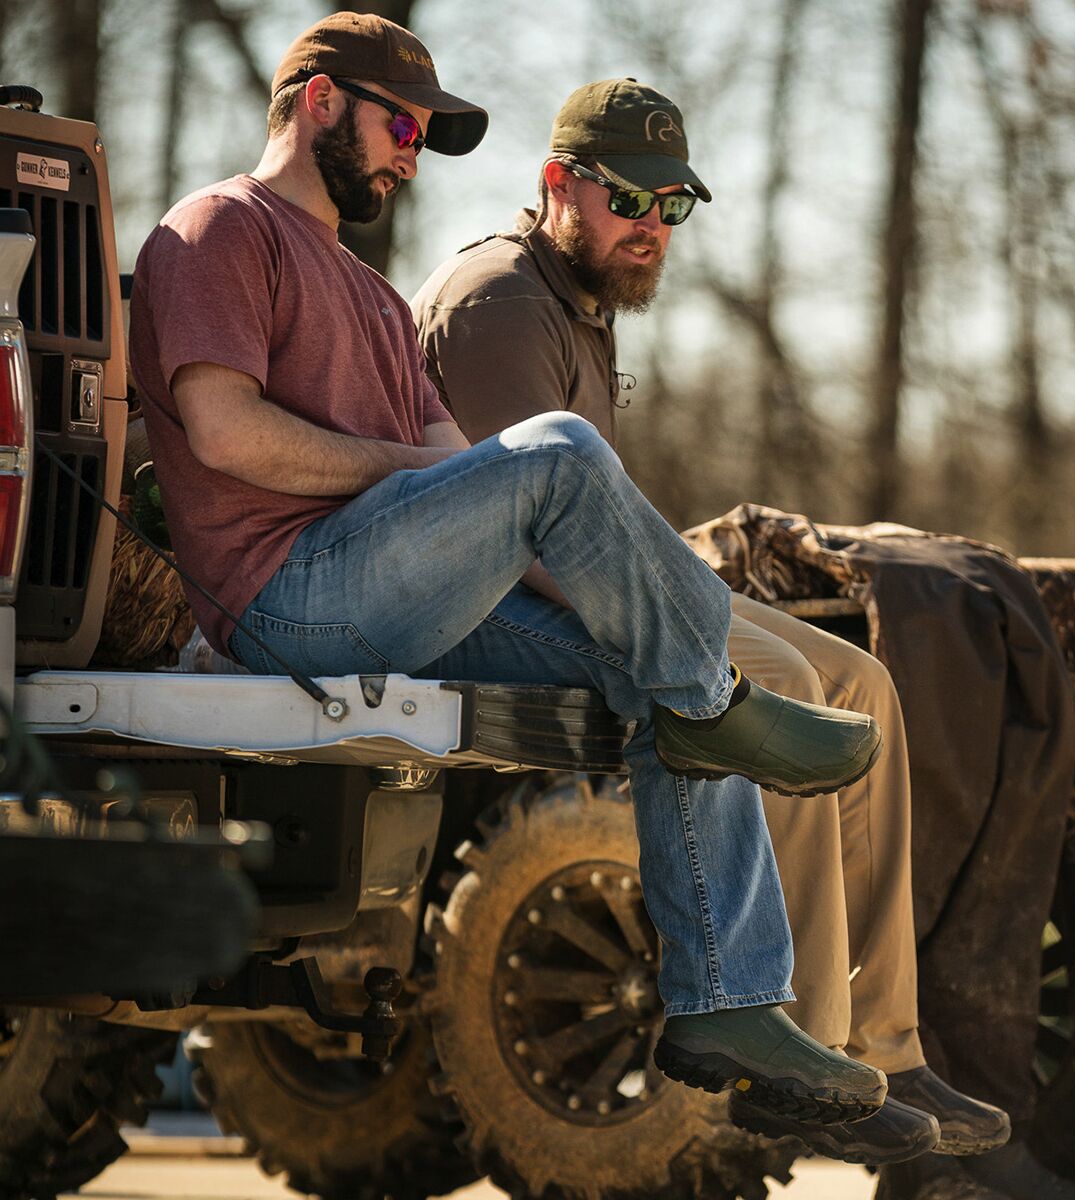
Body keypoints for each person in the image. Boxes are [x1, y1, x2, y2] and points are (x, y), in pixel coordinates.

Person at [129, 12, 893, 1132]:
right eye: (404, 124)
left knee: (655, 676)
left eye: (426, 136)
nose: (412, 152)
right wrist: (420, 475)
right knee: (563, 455)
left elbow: (462, 474)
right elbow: (223, 433)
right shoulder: (218, 230)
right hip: (286, 599)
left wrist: (491, 511)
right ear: (321, 101)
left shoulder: (377, 299)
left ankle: (727, 998)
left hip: (395, 603)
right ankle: (720, 700)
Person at [412, 77, 1011, 1168]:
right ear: (560, 186)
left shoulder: (574, 298)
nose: (651, 229)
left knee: (863, 681)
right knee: (779, 684)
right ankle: (802, 1048)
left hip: (594, 580)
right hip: (495, 607)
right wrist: (677, 612)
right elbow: (521, 544)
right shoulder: (501, 301)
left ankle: (878, 1041)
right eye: (630, 202)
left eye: (671, 207)